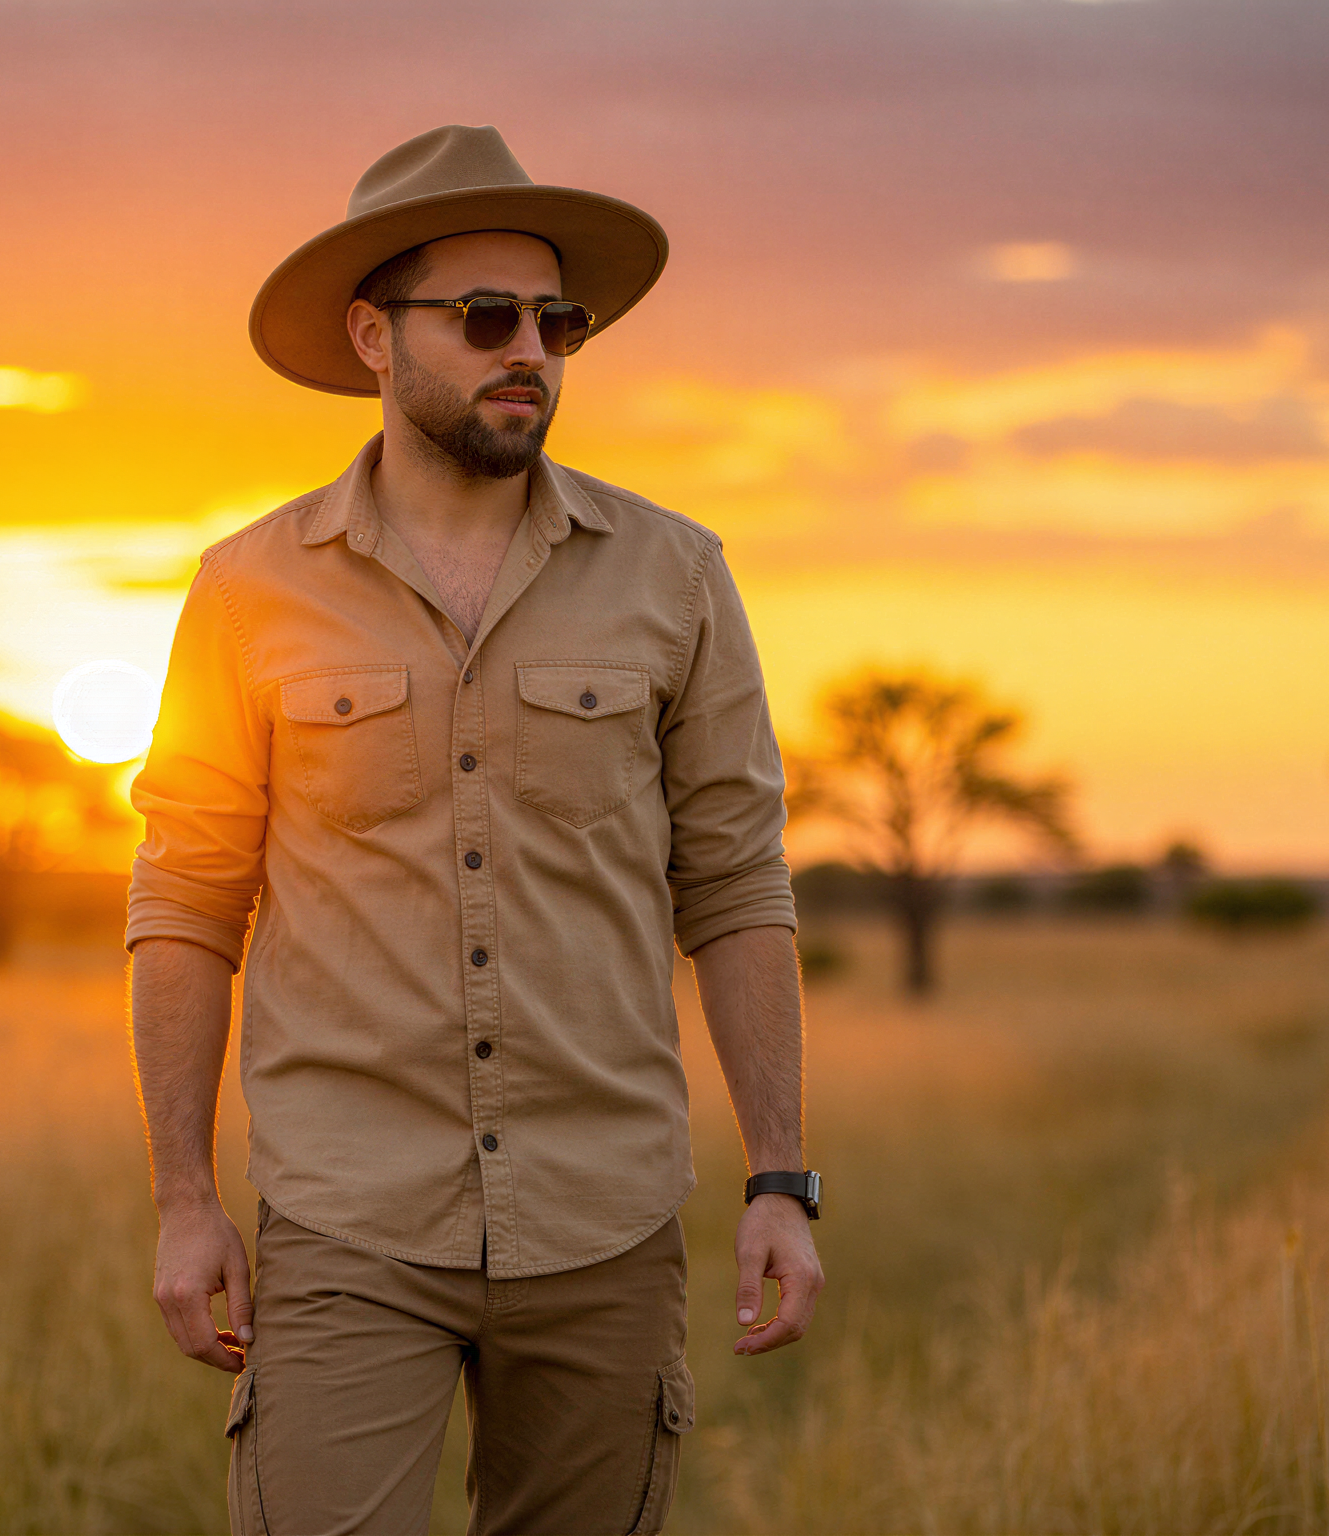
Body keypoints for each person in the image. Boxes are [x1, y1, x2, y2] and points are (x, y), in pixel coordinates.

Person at [126, 123, 823, 1536]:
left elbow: (740, 885)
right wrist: (187, 1199)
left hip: (604, 1225)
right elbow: (189, 902)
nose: (534, 352)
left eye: (558, 323)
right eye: (488, 316)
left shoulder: (677, 578)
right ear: (375, 337)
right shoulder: (247, 592)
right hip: (346, 1225)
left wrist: (780, 1179)